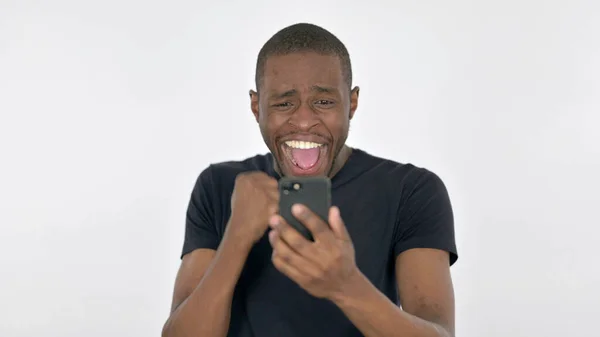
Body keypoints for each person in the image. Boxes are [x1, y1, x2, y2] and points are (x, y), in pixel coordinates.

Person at [161, 23, 458, 337]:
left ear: (352, 103)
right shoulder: (219, 186)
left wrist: (346, 286)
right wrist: (235, 240)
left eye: (324, 102)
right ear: (256, 106)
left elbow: (439, 332)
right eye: (283, 103)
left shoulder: (411, 190)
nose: (304, 120)